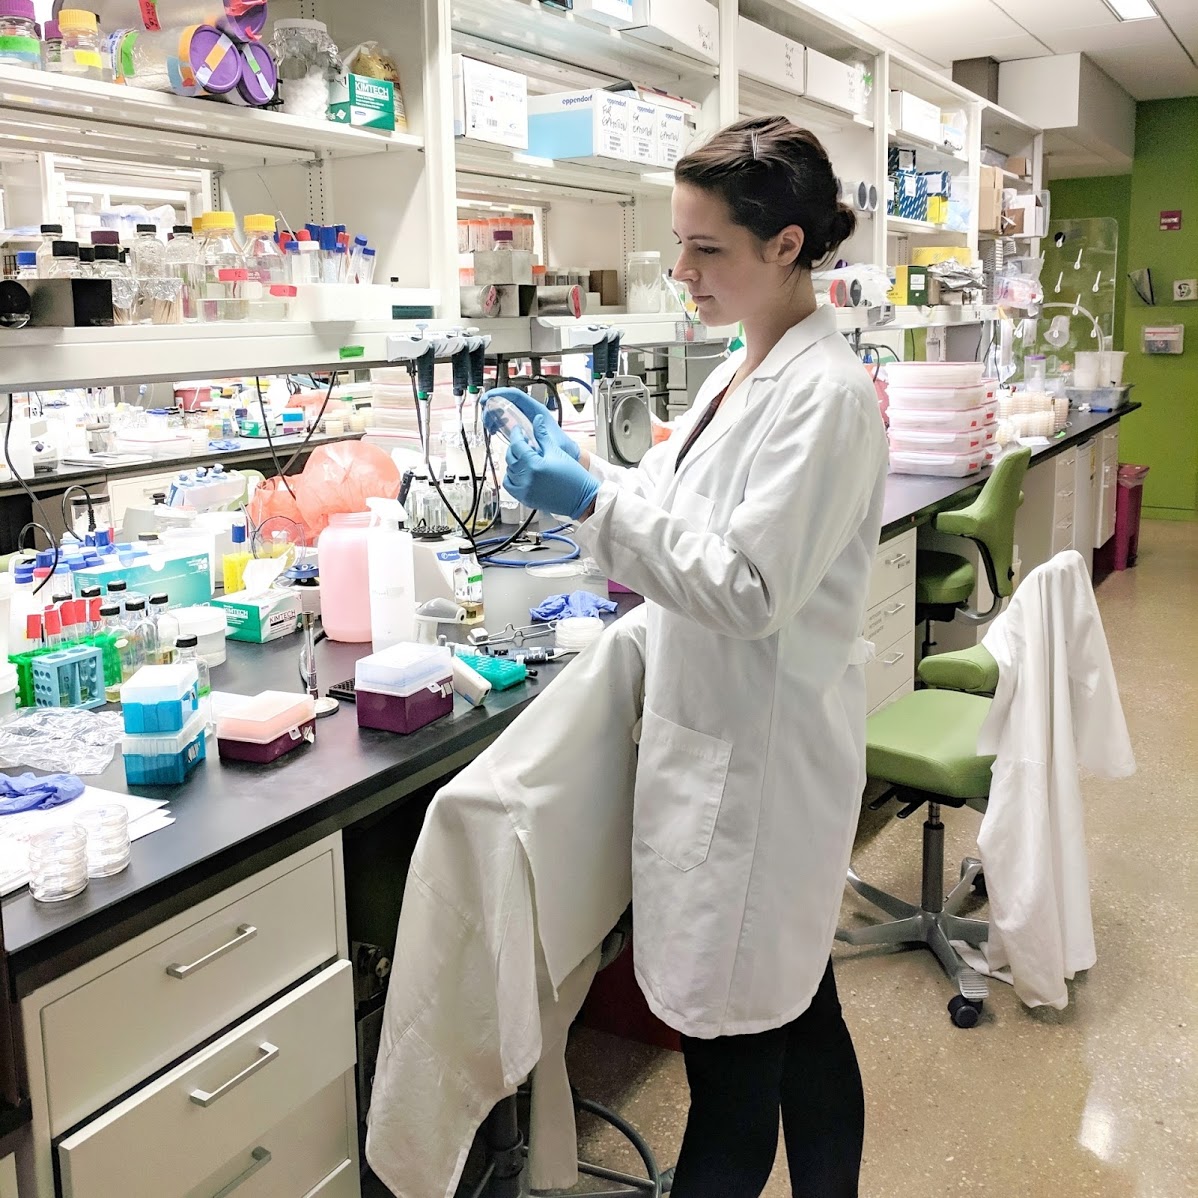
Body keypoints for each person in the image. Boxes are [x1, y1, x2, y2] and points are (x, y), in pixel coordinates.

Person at [490, 115, 888, 1198]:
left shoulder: (826, 397)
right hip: (722, 751)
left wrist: (596, 510)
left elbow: (747, 588)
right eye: (679, 243)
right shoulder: (736, 370)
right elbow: (673, 516)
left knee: (730, 1068)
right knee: (801, 1010)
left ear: (786, 246)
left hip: (754, 778)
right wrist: (578, 477)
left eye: (705, 248)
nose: (681, 271)